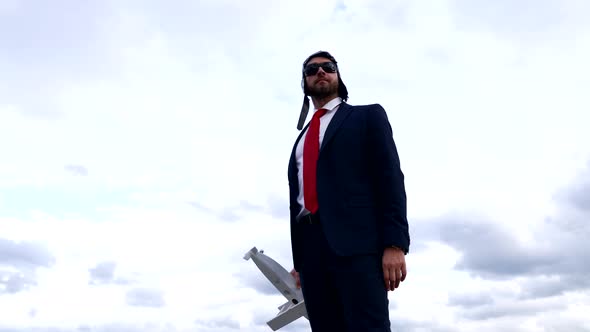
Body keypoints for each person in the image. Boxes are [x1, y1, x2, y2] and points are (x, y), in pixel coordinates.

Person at [287, 50, 410, 331]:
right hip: (311, 254)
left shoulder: (367, 117)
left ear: (338, 77)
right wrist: (301, 262)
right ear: (304, 82)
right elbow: (299, 200)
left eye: (328, 67)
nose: (320, 72)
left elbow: (390, 178)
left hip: (358, 247)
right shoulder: (301, 138)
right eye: (312, 69)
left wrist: (394, 243)